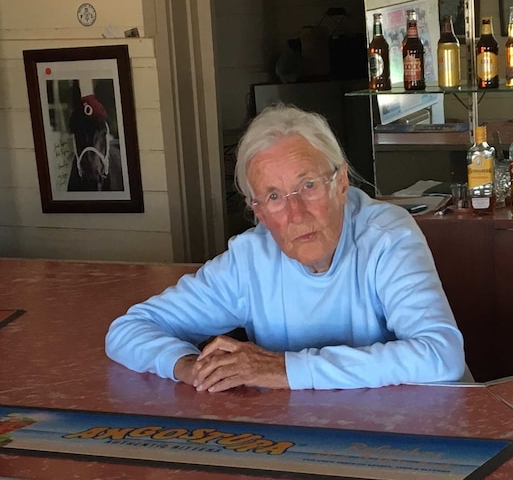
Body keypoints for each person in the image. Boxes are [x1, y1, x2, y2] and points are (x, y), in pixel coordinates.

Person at [105, 104, 467, 391]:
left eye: (308, 184)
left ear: (340, 182)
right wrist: (190, 367)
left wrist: (283, 369)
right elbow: (130, 329)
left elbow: (440, 356)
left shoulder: (387, 236)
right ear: (257, 210)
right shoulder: (250, 260)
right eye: (274, 197)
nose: (295, 213)